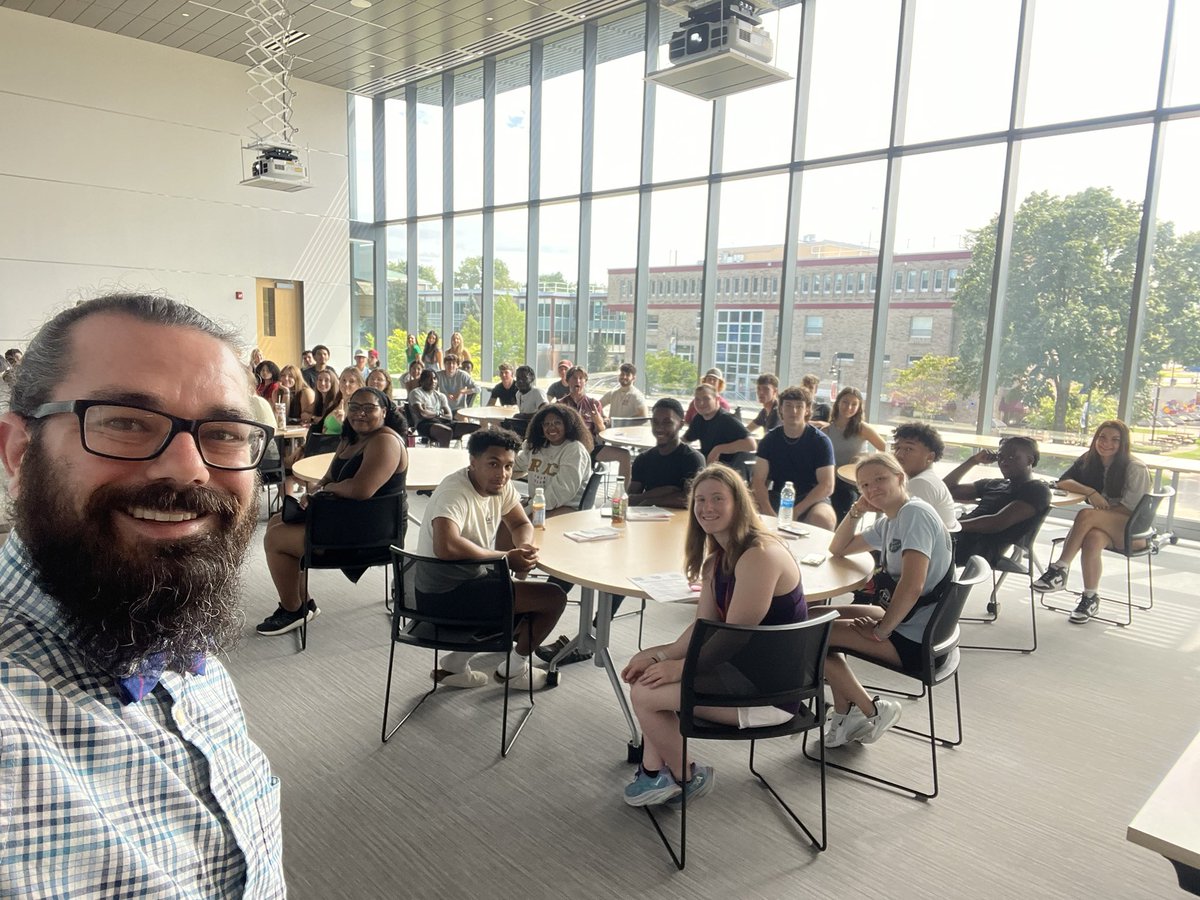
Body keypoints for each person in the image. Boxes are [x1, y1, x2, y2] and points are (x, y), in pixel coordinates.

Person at [0, 293, 284, 894]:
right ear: (20, 453)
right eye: (126, 421)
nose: (188, 469)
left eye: (226, 432)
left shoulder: (175, 636)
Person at [619, 464, 807, 807]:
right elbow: (703, 628)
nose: (707, 507)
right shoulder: (717, 560)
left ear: (738, 503)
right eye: (700, 500)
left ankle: (687, 775)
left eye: (718, 498)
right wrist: (661, 656)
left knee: (646, 695)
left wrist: (678, 668)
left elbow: (732, 636)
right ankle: (653, 772)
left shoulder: (759, 555)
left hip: (770, 692)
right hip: (739, 672)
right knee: (643, 672)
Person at [414, 428, 567, 691]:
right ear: (473, 462)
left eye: (508, 466)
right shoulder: (455, 492)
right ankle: (514, 670)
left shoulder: (500, 486)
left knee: (519, 593)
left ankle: (454, 665)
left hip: (471, 582)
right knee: (553, 598)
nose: (503, 474)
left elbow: (520, 522)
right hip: (443, 596)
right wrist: (507, 558)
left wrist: (525, 547)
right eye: (493, 464)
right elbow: (446, 546)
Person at [824, 454, 951, 748]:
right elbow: (839, 548)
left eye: (880, 479)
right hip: (913, 622)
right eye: (864, 485)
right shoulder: (892, 519)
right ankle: (848, 713)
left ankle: (871, 710)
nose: (872, 489)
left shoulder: (914, 515)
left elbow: (912, 585)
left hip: (916, 638)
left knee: (812, 636)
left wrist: (881, 631)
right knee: (818, 615)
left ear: (900, 478)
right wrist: (857, 509)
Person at [259, 387, 408, 636]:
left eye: (369, 408)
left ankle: (292, 609)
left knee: (277, 539)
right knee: (277, 521)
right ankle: (302, 602)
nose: (360, 413)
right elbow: (327, 477)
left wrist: (326, 490)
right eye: (354, 407)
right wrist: (314, 492)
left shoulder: (385, 440)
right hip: (346, 520)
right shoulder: (351, 438)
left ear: (384, 411)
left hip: (372, 533)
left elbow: (362, 489)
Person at [1031, 420, 1151, 623]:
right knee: (1092, 538)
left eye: (1115, 440)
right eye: (1102, 437)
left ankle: (1059, 569)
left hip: (1133, 533)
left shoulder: (1135, 468)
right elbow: (1063, 481)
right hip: (1109, 528)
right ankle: (1090, 598)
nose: (1106, 443)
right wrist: (1091, 492)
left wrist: (1099, 512)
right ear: (1095, 439)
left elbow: (1132, 510)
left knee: (1086, 515)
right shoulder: (1090, 459)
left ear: (1124, 444)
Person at [944, 435, 1051, 566]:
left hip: (978, 547)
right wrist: (972, 461)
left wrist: (951, 526)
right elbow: (945, 490)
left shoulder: (1036, 490)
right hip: (957, 537)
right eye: (1000, 457)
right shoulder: (994, 484)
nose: (1004, 462)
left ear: (1029, 460)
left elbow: (996, 522)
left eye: (1012, 457)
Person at [751, 386, 836, 529]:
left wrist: (796, 511)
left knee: (824, 519)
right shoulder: (769, 440)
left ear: (807, 410)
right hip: (777, 495)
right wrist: (767, 511)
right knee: (748, 513)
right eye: (788, 406)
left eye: (799, 406)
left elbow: (827, 485)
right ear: (781, 409)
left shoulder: (821, 441)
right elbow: (758, 481)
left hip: (811, 498)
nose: (794, 411)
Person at [513, 404, 593, 516]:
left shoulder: (575, 450)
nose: (551, 427)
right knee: (505, 517)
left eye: (557, 423)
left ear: (568, 425)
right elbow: (516, 464)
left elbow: (560, 492)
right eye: (547, 424)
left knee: (521, 525)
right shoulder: (536, 446)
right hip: (538, 503)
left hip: (568, 508)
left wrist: (528, 511)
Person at [820, 386, 886, 521]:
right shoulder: (826, 430)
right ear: (838, 403)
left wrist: (866, 459)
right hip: (830, 479)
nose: (848, 407)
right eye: (845, 402)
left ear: (859, 407)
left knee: (846, 497)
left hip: (851, 481)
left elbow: (885, 449)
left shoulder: (862, 428)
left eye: (854, 404)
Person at [627, 398, 705, 509]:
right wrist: (662, 492)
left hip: (681, 523)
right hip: (646, 522)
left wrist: (648, 500)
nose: (659, 428)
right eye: (655, 421)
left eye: (667, 422)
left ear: (681, 425)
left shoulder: (692, 459)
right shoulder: (643, 459)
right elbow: (630, 499)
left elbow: (689, 499)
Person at [890, 422, 959, 530]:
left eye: (909, 449)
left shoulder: (922, 483)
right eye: (897, 448)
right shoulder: (921, 478)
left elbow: (904, 530)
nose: (898, 455)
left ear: (930, 457)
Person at [684, 383, 755, 465]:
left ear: (717, 399)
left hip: (728, 470)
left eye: (706, 398)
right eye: (697, 399)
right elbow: (686, 439)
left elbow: (751, 444)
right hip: (709, 467)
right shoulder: (698, 418)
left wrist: (718, 449)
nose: (701, 403)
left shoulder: (727, 420)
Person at [558, 366, 605, 441]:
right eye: (574, 378)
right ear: (567, 381)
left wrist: (598, 422)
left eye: (581, 378)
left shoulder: (594, 404)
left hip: (589, 445)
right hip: (567, 445)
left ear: (585, 381)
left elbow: (602, 432)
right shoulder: (560, 404)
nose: (578, 381)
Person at [408, 369, 453, 440]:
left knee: (470, 427)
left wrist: (429, 413)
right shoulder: (416, 393)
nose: (432, 381)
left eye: (434, 378)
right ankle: (444, 451)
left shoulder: (441, 396)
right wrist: (439, 413)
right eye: (429, 378)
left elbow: (449, 416)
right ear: (421, 381)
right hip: (424, 424)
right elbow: (422, 414)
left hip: (442, 422)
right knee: (446, 431)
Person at [312, 368, 344, 434]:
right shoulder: (318, 400)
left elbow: (324, 421)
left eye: (327, 380)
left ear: (332, 383)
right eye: (320, 380)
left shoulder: (335, 402)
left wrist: (313, 418)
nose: (322, 383)